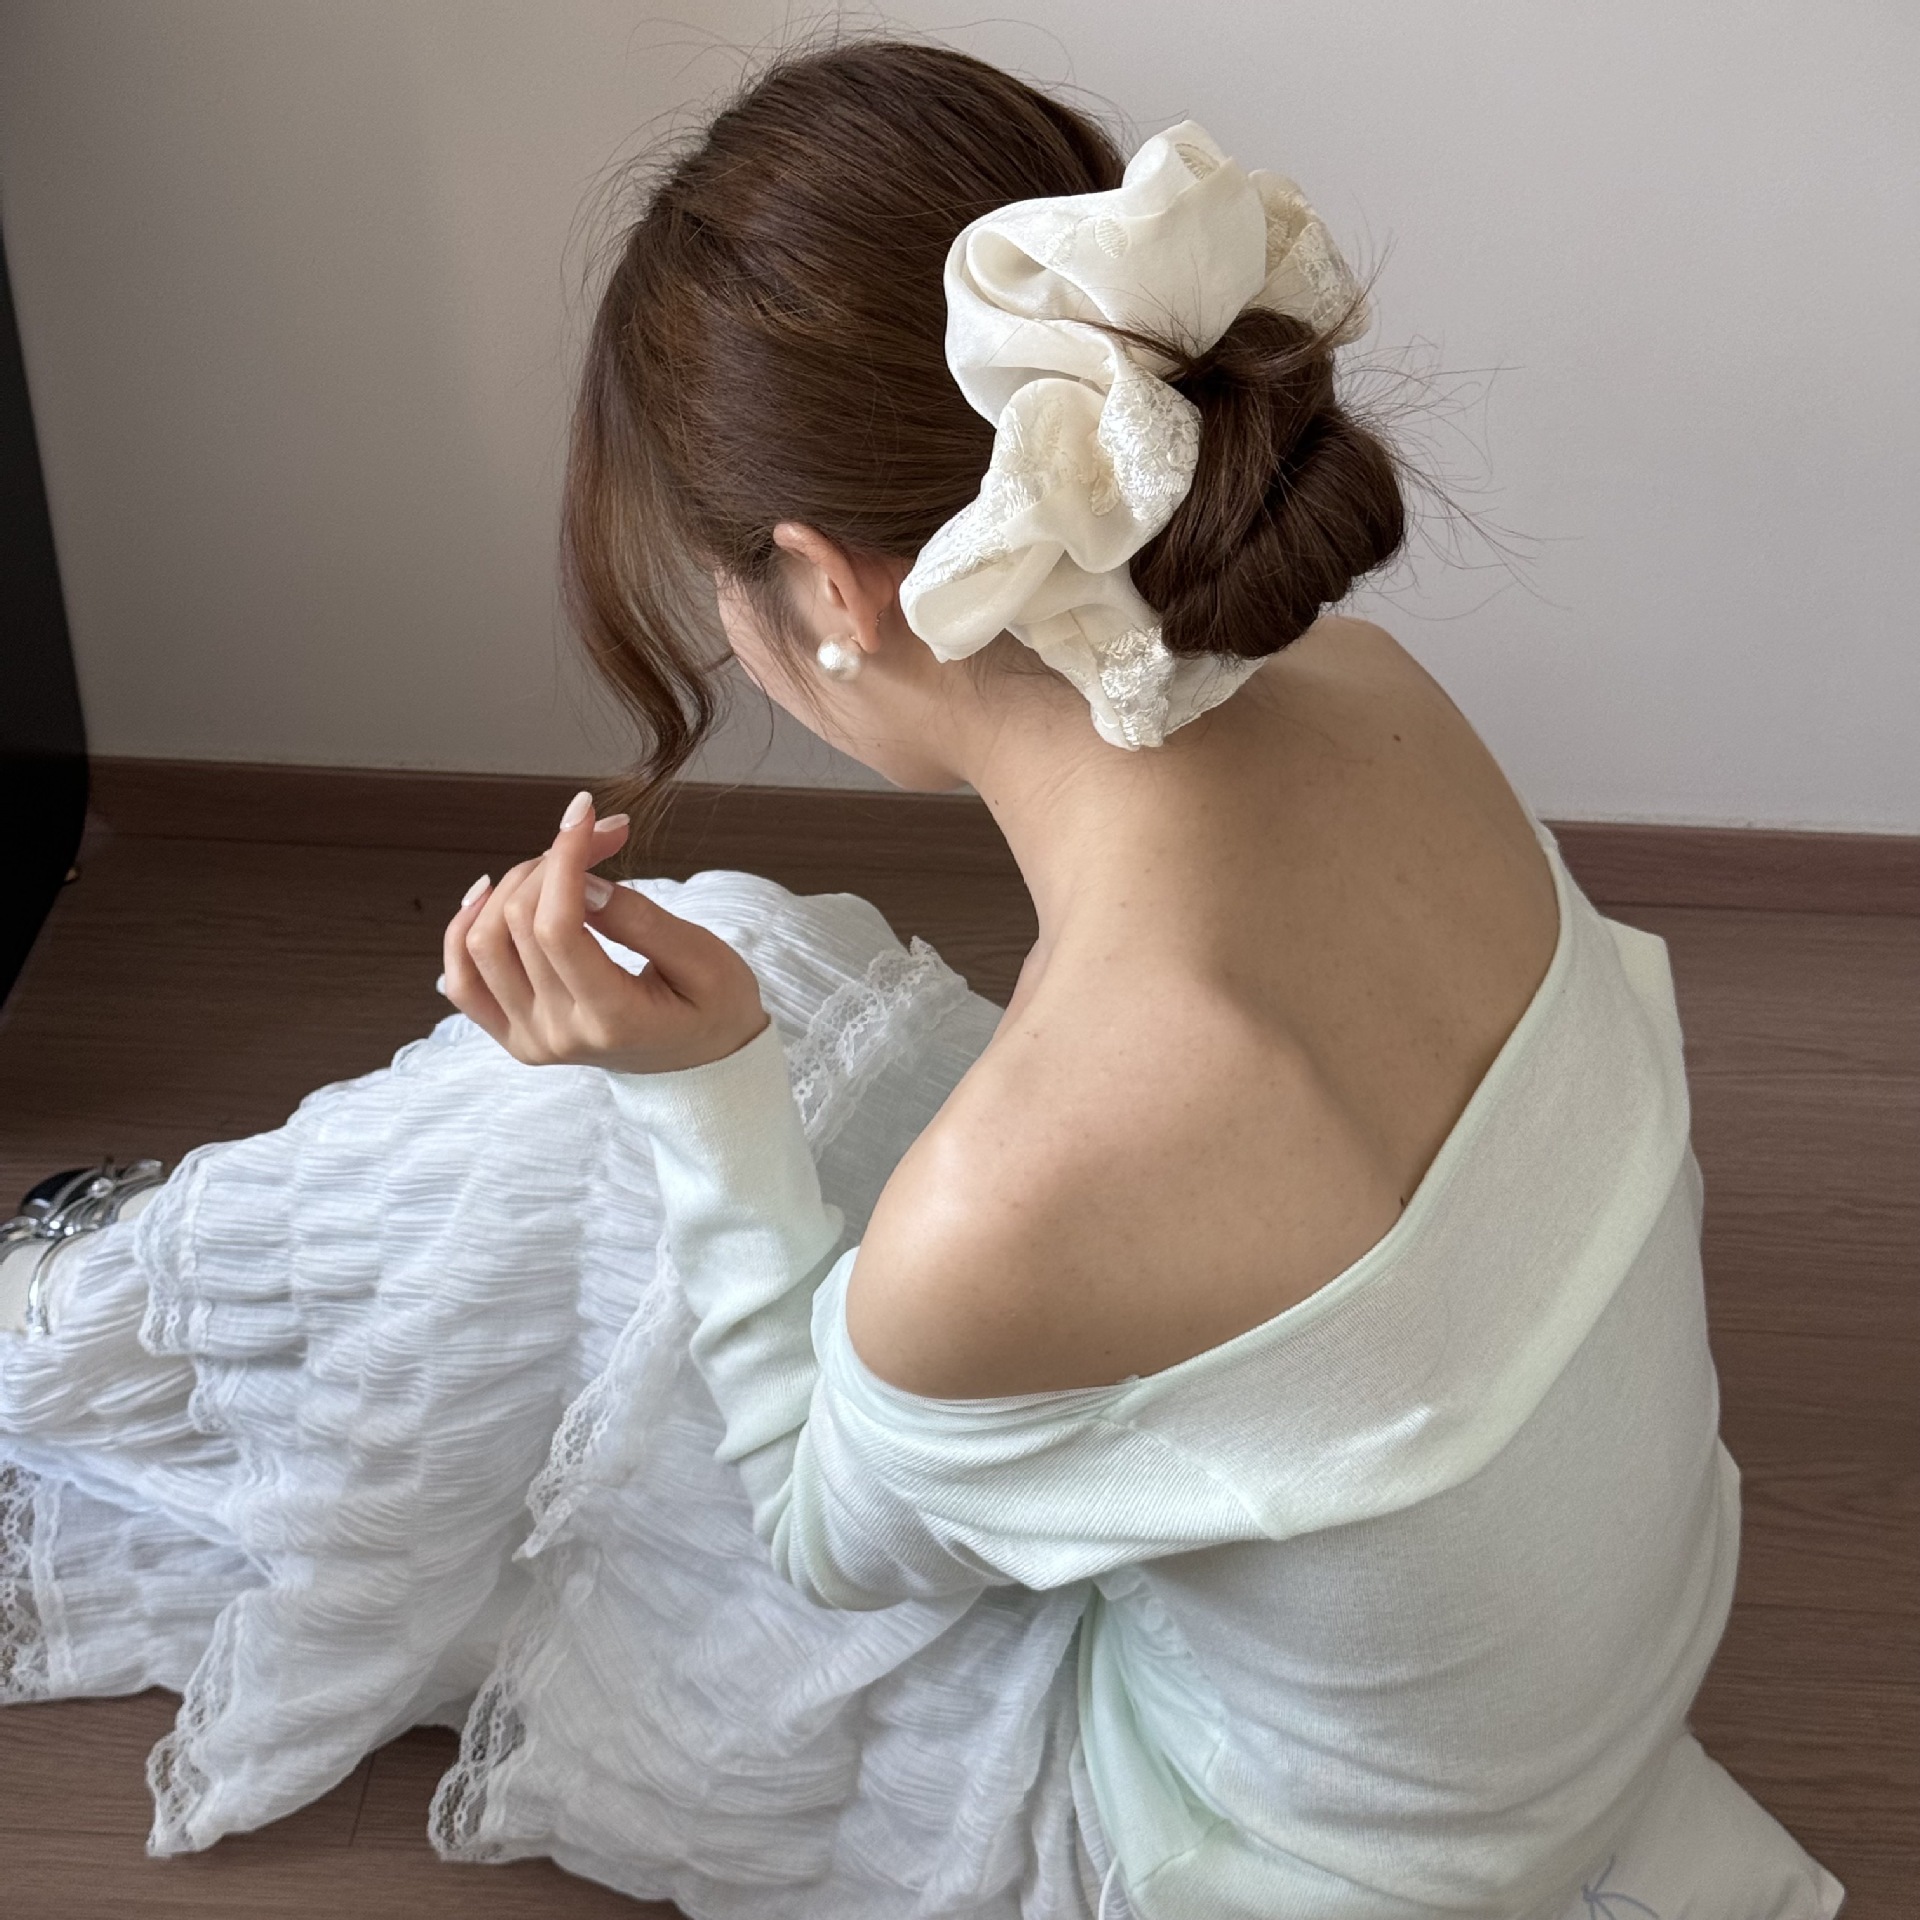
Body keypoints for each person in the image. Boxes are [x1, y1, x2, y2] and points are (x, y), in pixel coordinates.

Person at [0, 36, 1846, 1920]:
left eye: (720, 584)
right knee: (756, 965)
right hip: (1582, 1680)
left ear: (826, 583)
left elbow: (824, 1541)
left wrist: (698, 1095)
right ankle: (131, 1283)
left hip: (1276, 1854)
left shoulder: (1025, 1186)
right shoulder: (1369, 692)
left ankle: (90, 1307)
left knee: (567, 1141)